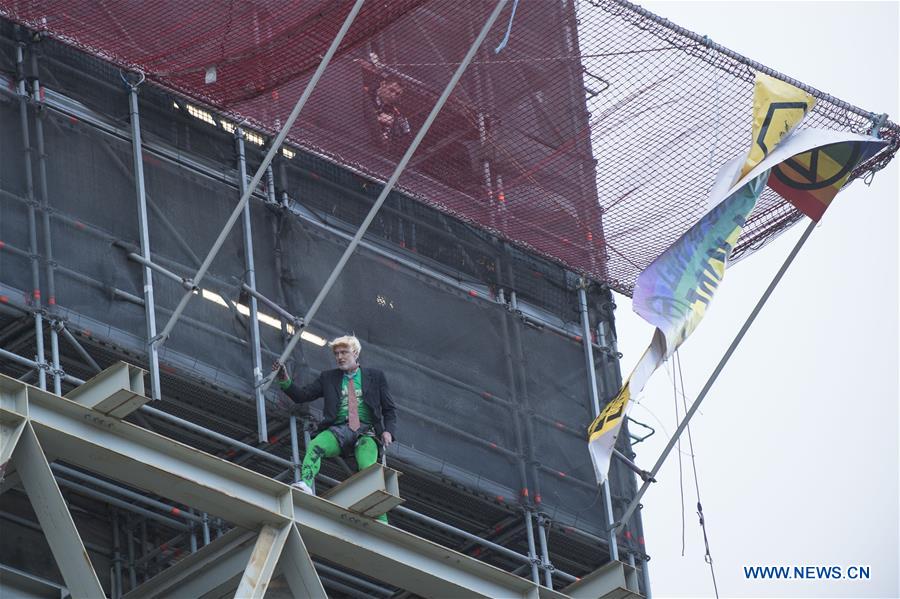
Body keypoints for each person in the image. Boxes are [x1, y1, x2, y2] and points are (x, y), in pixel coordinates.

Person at [273, 335, 397, 520]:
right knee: (316, 446)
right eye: (336, 353)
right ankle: (305, 483)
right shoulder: (328, 377)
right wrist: (285, 380)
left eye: (344, 352)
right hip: (338, 429)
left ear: (355, 353)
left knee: (368, 468)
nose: (339, 357)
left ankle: (381, 520)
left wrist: (388, 431)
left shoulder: (375, 376)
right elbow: (302, 395)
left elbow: (389, 409)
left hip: (366, 432)